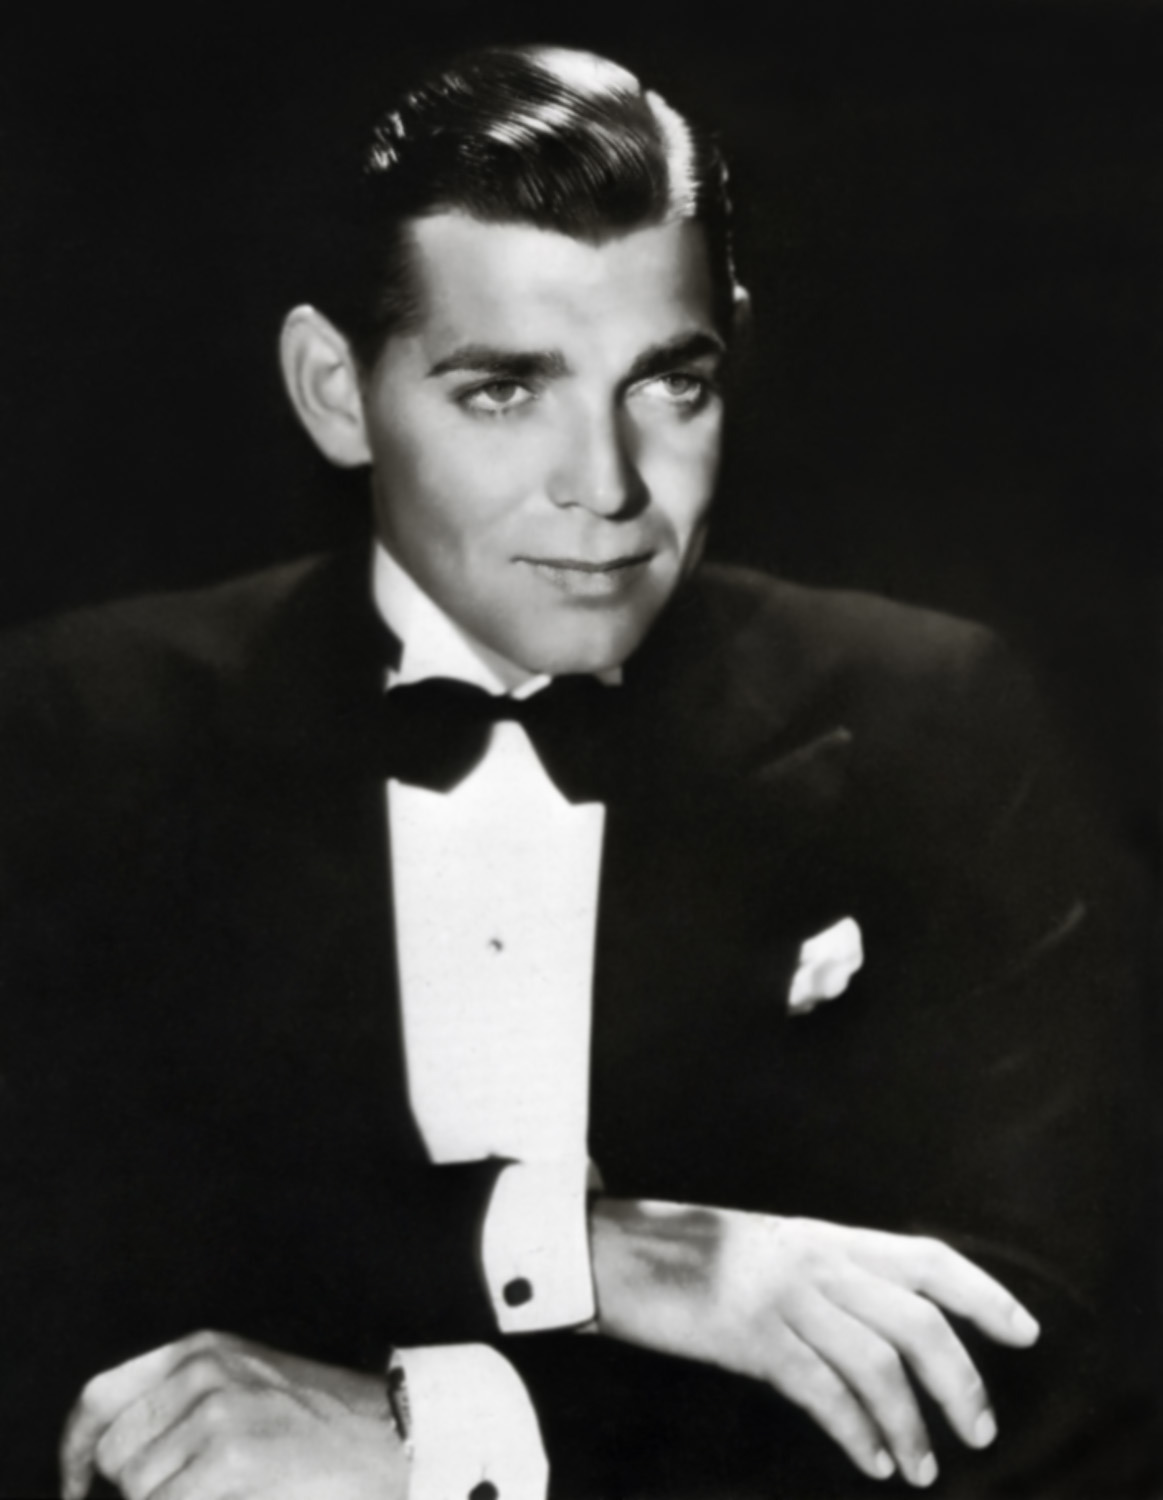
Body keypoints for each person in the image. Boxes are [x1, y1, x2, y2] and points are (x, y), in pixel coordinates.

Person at [0, 42, 1155, 1500]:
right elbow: (59, 1275)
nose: (606, 488)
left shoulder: (939, 720)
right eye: (503, 391)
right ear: (336, 392)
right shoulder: (72, 727)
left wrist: (456, 1447)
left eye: (671, 384)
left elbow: (1066, 1372)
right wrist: (581, 1250)